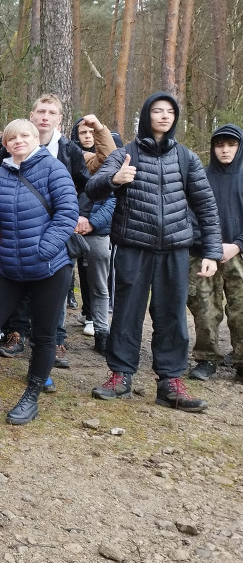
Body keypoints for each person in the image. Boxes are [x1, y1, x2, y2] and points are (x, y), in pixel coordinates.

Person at [86, 93, 220, 411]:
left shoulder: (186, 158)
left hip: (175, 248)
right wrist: (115, 180)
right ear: (146, 115)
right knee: (127, 313)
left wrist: (212, 251)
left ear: (175, 117)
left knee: (172, 314)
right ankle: (120, 375)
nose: (163, 116)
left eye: (169, 111)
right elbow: (94, 187)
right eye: (157, 111)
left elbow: (206, 206)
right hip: (134, 246)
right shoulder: (126, 154)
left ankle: (170, 382)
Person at [0, 119, 78, 424]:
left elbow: (68, 212)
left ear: (36, 139)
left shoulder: (53, 169)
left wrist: (45, 249)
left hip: (50, 268)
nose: (18, 141)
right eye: (11, 138)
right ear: (4, 145)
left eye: (24, 135)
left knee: (44, 336)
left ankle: (31, 397)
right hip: (11, 266)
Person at [0, 95, 93, 367]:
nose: (45, 116)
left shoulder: (67, 151)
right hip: (13, 238)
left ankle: (56, 341)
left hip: (52, 241)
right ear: (31, 116)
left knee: (51, 300)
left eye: (51, 112)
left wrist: (83, 216)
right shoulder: (7, 151)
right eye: (40, 111)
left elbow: (86, 186)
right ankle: (16, 333)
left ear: (59, 119)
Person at [188, 125, 243, 383]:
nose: (225, 150)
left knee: (240, 308)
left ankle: (241, 359)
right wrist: (209, 246)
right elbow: (191, 216)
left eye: (231, 145)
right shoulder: (201, 177)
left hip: (239, 254)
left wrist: (237, 245)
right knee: (204, 307)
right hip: (204, 255)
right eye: (220, 145)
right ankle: (206, 358)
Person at [70, 115, 119, 338]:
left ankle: (101, 330)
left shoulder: (103, 164)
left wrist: (93, 223)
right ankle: (56, 335)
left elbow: (112, 199)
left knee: (100, 284)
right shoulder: (67, 157)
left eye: (91, 132)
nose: (88, 136)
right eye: (83, 133)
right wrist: (71, 221)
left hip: (97, 230)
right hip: (67, 228)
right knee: (60, 283)